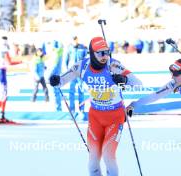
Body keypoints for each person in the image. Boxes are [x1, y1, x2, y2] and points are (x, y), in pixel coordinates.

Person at [49, 36, 142, 176]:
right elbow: (61, 81)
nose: (104, 56)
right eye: (100, 53)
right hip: (96, 117)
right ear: (92, 53)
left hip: (115, 117)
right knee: (93, 161)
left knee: (108, 156)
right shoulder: (82, 65)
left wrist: (123, 80)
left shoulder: (114, 65)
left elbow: (138, 84)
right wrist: (55, 80)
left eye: (106, 52)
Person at [0, 36, 23, 124]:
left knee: (3, 95)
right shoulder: (4, 49)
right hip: (2, 73)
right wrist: (20, 62)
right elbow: (9, 62)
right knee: (3, 95)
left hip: (0, 72)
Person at [64, 36, 87, 119]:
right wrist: (67, 72)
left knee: (81, 91)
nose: (74, 41)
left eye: (75, 39)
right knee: (71, 92)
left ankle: (81, 110)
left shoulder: (83, 47)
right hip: (72, 73)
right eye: (73, 39)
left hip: (80, 73)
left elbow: (86, 60)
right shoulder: (69, 48)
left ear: (78, 39)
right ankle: (72, 110)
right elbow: (66, 60)